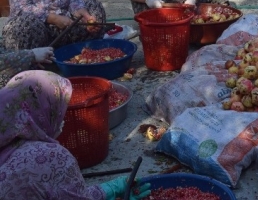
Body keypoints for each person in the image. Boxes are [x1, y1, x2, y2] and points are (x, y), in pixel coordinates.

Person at [0, 70, 152, 199]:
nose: (63, 119)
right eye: (59, 112)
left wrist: (107, 190)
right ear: (42, 113)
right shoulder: (50, 158)